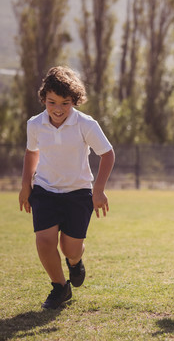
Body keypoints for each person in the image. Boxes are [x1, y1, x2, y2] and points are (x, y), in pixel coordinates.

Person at [18, 66, 115, 309]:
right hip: (45, 190)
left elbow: (108, 154)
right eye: (52, 102)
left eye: (65, 102)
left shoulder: (86, 124)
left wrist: (99, 190)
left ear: (75, 101)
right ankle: (60, 287)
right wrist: (25, 187)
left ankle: (75, 262)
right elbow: (31, 153)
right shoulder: (35, 124)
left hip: (78, 193)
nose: (58, 108)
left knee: (69, 248)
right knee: (45, 241)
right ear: (43, 99)